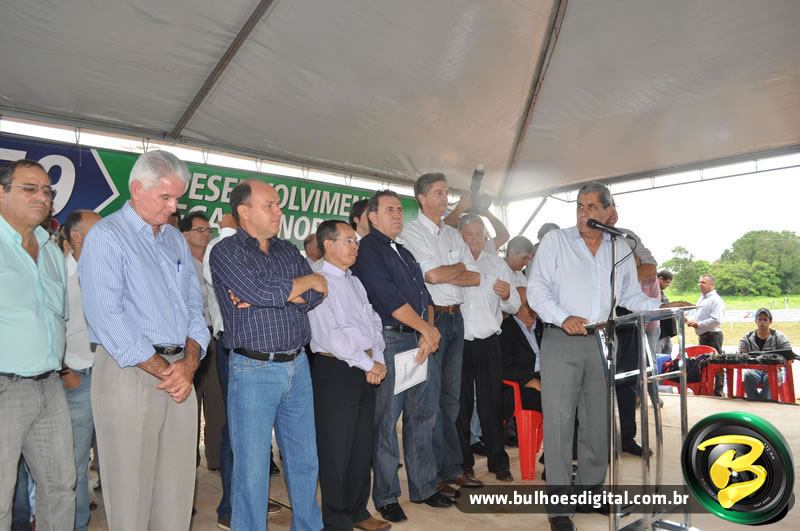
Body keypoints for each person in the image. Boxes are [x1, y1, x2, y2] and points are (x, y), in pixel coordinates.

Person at [528, 182, 687, 531]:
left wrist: (662, 306)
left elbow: (629, 296)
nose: (584, 213)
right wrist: (562, 317)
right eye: (580, 207)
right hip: (561, 339)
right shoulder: (556, 242)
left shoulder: (619, 248)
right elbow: (536, 289)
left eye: (591, 207)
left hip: (602, 341)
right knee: (559, 424)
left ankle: (590, 491)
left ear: (609, 213)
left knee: (598, 423)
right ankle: (559, 506)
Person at [79, 150, 210, 530]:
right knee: (130, 494)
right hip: (130, 372)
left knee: (177, 491)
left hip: (179, 375)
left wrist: (189, 363)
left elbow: (195, 306)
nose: (173, 208)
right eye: (165, 197)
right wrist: (167, 370)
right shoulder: (107, 237)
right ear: (136, 189)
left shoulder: (175, 241)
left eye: (177, 198)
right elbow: (108, 316)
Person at [209, 179, 327, 530]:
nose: (279, 212)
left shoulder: (287, 249)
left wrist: (284, 292)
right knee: (252, 467)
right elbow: (261, 291)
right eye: (270, 205)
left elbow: (318, 293)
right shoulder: (226, 252)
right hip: (253, 369)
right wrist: (299, 286)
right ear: (244, 211)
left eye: (279, 205)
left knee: (305, 460)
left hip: (298, 365)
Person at [351, 190, 446, 522]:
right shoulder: (368, 251)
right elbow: (388, 298)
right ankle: (387, 495)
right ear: (372, 216)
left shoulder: (404, 251)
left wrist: (427, 332)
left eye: (399, 210)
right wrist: (426, 330)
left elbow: (425, 297)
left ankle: (424, 486)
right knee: (386, 423)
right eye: (389, 210)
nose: (396, 215)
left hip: (418, 340)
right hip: (390, 341)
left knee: (423, 416)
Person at [0, 159, 76, 531]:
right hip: (4, 388)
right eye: (29, 188)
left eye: (47, 190)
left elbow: (58, 319)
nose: (42, 197)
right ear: (1, 193)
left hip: (50, 386)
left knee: (61, 488)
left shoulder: (51, 252)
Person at [400, 173, 482, 498]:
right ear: (421, 198)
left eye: (447, 193)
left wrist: (450, 272)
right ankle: (431, 475)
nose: (445, 198)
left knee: (451, 400)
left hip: (456, 318)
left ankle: (451, 468)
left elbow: (475, 276)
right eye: (438, 193)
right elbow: (431, 276)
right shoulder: (411, 232)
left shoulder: (452, 233)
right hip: (431, 320)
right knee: (428, 402)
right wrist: (455, 269)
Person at [308, 220, 391, 531]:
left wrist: (377, 359)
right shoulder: (317, 280)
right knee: (336, 447)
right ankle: (336, 519)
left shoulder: (354, 281)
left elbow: (373, 321)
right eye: (349, 241)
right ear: (328, 245)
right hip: (336, 370)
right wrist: (368, 364)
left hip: (366, 366)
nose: (356, 247)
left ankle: (358, 511)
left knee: (361, 444)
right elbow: (330, 335)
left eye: (355, 241)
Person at [456, 214, 520, 481]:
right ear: (459, 236)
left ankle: (498, 461)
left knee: (491, 403)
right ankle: (463, 462)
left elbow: (515, 305)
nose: (474, 239)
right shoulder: (452, 262)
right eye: (469, 235)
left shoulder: (497, 263)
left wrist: (507, 294)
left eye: (479, 234)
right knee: (459, 405)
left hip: (489, 341)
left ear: (485, 236)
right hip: (457, 343)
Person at [60, 209, 101, 531]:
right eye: (96, 230)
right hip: (77, 378)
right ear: (76, 236)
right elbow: (47, 327)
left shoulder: (105, 271)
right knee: (73, 464)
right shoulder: (58, 274)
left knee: (115, 458)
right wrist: (64, 371)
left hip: (109, 375)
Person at [179, 212, 225, 470]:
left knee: (217, 399)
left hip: (214, 338)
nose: (206, 234)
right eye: (200, 230)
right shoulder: (178, 264)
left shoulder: (214, 261)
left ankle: (216, 458)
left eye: (208, 230)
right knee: (190, 402)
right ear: (185, 234)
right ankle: (188, 462)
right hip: (189, 340)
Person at [740, 308, 791, 401]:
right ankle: (755, 401)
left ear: (770, 321)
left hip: (774, 371)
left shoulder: (779, 336)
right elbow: (741, 352)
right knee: (748, 376)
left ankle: (765, 402)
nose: (762, 322)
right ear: (755, 321)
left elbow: (788, 353)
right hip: (754, 370)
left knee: (770, 378)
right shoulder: (747, 338)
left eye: (765, 320)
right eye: (759, 319)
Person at [686, 274, 726, 395]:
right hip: (704, 336)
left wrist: (698, 324)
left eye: (703, 282)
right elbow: (698, 315)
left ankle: (718, 391)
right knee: (704, 364)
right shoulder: (701, 298)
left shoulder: (715, 300)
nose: (700, 284)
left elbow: (717, 320)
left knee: (716, 363)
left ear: (712, 284)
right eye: (699, 282)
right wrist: (689, 319)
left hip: (712, 336)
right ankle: (705, 389)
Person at [443, 193, 510, 253]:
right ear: (460, 233)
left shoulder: (484, 248)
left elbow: (504, 236)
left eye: (479, 234)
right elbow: (439, 231)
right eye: (469, 234)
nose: (475, 238)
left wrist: (487, 213)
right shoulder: (454, 247)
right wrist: (458, 210)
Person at [656, 270, 676, 355]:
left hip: (666, 333)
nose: (668, 285)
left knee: (667, 358)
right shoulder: (654, 293)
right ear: (660, 279)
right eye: (667, 282)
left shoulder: (661, 292)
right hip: (659, 333)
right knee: (658, 357)